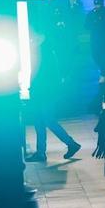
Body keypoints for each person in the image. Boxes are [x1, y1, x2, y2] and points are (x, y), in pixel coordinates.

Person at [26, 31, 82, 162]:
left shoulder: (42, 55)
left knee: (46, 120)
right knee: (40, 120)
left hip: (44, 93)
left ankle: (70, 144)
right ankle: (41, 152)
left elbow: (39, 76)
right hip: (44, 92)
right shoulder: (46, 53)